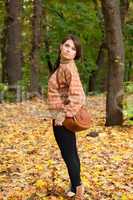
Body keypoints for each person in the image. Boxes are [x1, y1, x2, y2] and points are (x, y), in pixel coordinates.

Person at [47, 34, 86, 200]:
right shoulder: (63, 66)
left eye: (73, 48)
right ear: (60, 46)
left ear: (76, 53)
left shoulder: (68, 67)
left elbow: (79, 96)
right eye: (67, 46)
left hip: (62, 118)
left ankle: (78, 189)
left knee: (68, 154)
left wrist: (63, 114)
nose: (69, 50)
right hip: (59, 116)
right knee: (71, 152)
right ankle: (74, 184)